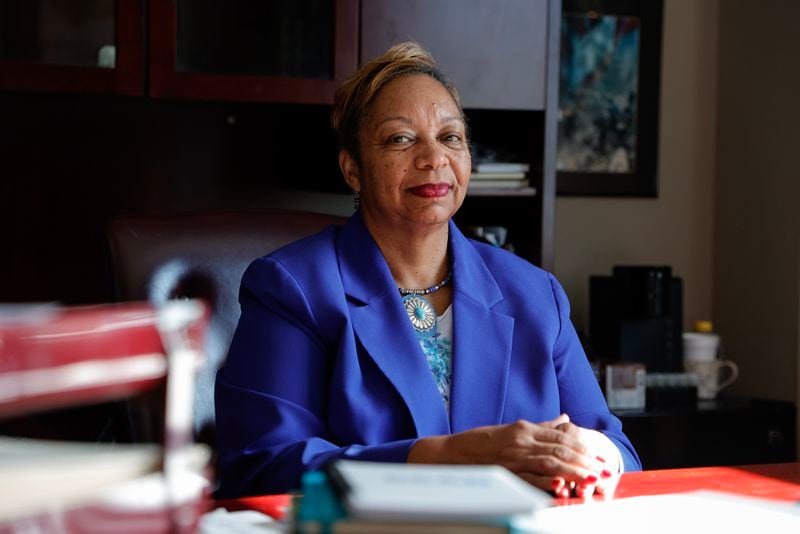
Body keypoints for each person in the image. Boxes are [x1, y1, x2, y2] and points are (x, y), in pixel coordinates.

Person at [215, 42, 641, 500]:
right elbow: (263, 466)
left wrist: (591, 453)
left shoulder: (536, 293)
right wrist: (452, 455)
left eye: (450, 137)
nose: (433, 157)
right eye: (401, 139)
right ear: (352, 169)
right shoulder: (293, 287)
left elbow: (621, 453)